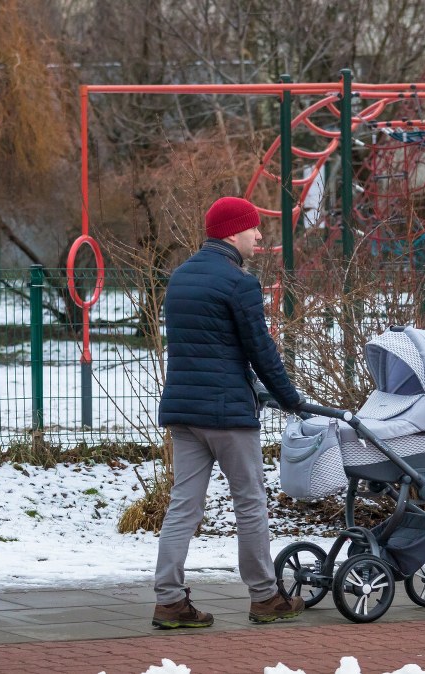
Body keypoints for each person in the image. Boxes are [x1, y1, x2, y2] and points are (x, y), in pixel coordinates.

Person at [151, 196, 306, 629]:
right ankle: (265, 596)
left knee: (183, 506)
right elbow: (261, 350)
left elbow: (208, 347)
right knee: (251, 503)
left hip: (183, 412)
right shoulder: (240, 283)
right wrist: (290, 398)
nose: (259, 235)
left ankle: (169, 601)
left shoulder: (179, 279)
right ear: (233, 231)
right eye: (254, 228)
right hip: (228, 415)